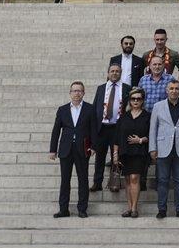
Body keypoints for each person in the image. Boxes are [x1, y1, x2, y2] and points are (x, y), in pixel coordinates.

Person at [50, 81, 97, 218]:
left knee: (83, 179)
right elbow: (56, 131)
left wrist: (94, 146)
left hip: (82, 148)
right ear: (70, 93)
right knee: (65, 180)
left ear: (83, 93)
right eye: (74, 91)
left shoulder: (90, 109)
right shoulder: (62, 109)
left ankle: (82, 209)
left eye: (79, 91)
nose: (77, 93)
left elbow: (94, 129)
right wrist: (53, 150)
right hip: (66, 149)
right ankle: (63, 209)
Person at [148, 79, 179, 219]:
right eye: (171, 88)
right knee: (162, 180)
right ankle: (162, 209)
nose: (174, 91)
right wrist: (152, 148)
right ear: (167, 90)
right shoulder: (158, 106)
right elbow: (153, 128)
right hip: (163, 148)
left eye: (176, 88)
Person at [90, 64, 129, 192]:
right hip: (102, 127)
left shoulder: (126, 88)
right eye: (112, 71)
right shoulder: (101, 88)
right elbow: (95, 107)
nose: (114, 73)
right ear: (108, 73)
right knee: (99, 157)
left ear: (121, 73)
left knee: (115, 157)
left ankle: (114, 182)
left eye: (117, 71)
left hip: (117, 127)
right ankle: (97, 182)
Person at [113, 87, 150, 217]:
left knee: (135, 178)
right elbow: (116, 137)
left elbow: (151, 135)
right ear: (129, 100)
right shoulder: (123, 117)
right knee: (128, 180)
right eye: (133, 99)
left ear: (142, 100)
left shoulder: (147, 116)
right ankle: (129, 207)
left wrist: (140, 140)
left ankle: (134, 208)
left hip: (140, 152)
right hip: (125, 153)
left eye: (138, 99)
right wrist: (115, 154)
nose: (135, 101)